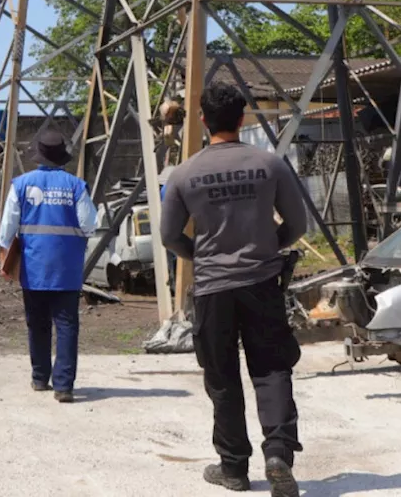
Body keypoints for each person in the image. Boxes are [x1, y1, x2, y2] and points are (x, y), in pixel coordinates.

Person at [160, 83, 309, 497]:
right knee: (272, 368)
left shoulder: (183, 174)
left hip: (212, 289)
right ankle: (278, 452)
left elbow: (170, 235)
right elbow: (298, 226)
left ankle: (234, 469)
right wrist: (266, 246)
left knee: (222, 376)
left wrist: (202, 256)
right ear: (242, 119)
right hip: (262, 283)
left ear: (203, 120)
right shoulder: (270, 164)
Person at [0, 129, 97, 403]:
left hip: (34, 267)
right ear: (62, 156)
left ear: (38, 155)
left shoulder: (21, 185)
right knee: (66, 325)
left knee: (37, 324)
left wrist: (5, 259)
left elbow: (6, 230)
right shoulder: (76, 186)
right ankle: (64, 386)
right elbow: (89, 224)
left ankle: (40, 378)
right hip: (67, 269)